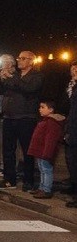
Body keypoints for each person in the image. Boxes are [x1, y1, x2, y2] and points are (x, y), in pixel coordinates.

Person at [0, 50, 43, 191]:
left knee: (27, 151)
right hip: (9, 117)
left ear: (31, 61)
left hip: (26, 118)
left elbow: (29, 89)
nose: (19, 60)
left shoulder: (36, 76)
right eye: (18, 58)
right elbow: (0, 91)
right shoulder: (14, 76)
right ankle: (9, 179)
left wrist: (11, 78)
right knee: (8, 150)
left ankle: (29, 181)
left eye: (23, 58)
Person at [26, 100, 65, 199]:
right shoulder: (45, 121)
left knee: (46, 170)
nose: (40, 109)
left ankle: (46, 189)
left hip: (45, 151)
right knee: (42, 169)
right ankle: (41, 188)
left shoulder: (52, 123)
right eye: (40, 107)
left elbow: (51, 139)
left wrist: (47, 152)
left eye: (43, 107)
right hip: (41, 151)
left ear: (51, 110)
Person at [64, 61, 77, 208]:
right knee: (71, 160)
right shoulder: (72, 86)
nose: (74, 72)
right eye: (72, 69)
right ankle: (74, 187)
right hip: (72, 125)